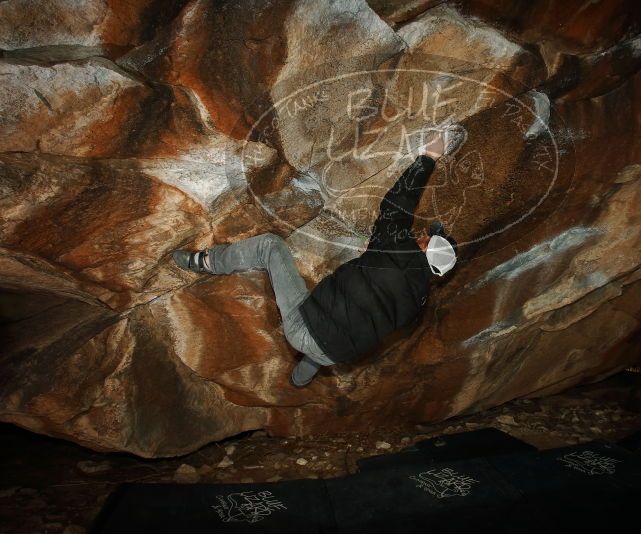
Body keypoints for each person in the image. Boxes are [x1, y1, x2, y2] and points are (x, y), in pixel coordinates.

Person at [172, 125, 464, 387]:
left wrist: (428, 157)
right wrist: (373, 255)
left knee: (270, 247)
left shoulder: (397, 251)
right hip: (335, 355)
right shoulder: (419, 302)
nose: (422, 234)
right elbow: (379, 302)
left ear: (426, 249)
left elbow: (396, 206)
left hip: (303, 330)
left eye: (427, 236)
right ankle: (302, 377)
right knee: (336, 329)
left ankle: (207, 262)